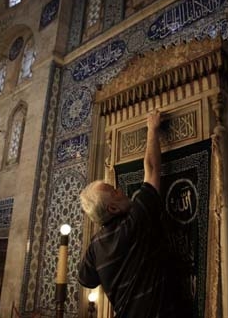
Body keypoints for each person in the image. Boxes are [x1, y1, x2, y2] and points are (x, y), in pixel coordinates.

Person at [78, 110, 186, 318]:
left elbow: (86, 279)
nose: (120, 190)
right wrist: (152, 129)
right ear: (113, 209)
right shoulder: (135, 221)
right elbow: (152, 169)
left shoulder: (95, 247)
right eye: (114, 191)